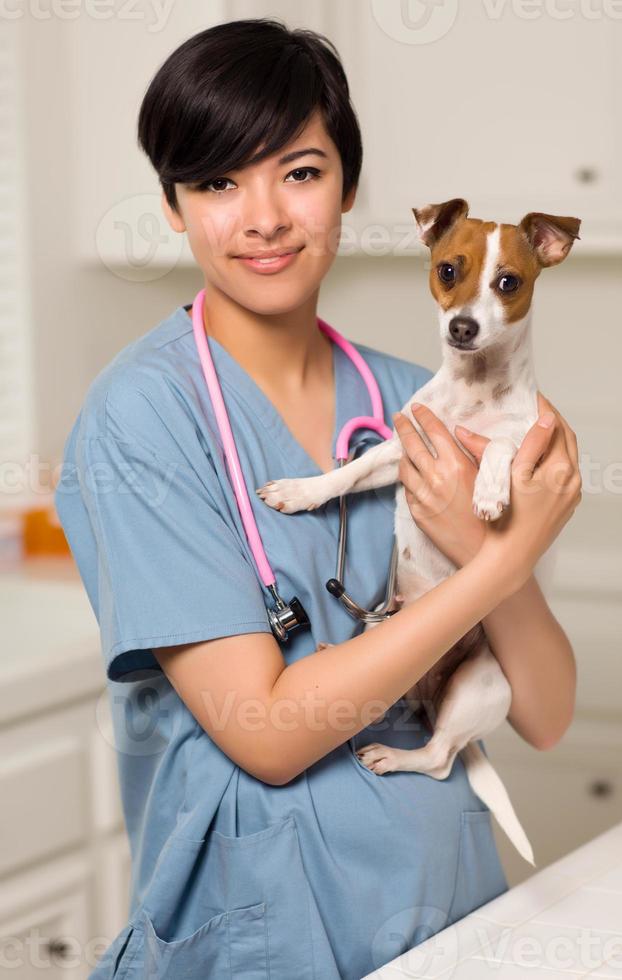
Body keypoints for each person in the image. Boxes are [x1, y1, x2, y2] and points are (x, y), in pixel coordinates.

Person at [54, 19, 580, 980]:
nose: (262, 217)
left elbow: (545, 714)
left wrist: (494, 555)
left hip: (450, 914)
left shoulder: (409, 399)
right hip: (262, 934)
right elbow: (270, 735)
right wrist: (499, 557)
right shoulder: (143, 421)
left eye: (298, 172)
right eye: (216, 181)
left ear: (346, 185)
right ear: (173, 206)